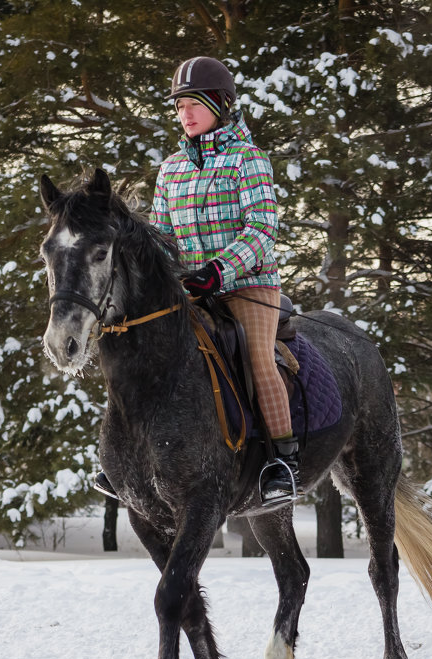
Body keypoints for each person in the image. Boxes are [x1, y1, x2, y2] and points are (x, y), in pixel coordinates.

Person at [95, 55, 298, 506]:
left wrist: (218, 270)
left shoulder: (250, 160)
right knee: (138, 349)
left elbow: (262, 230)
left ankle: (280, 461)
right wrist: (166, 274)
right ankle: (123, 460)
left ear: (222, 105)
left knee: (255, 358)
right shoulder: (171, 169)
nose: (185, 114)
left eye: (194, 104)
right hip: (188, 291)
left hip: (248, 285)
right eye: (180, 106)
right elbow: (164, 239)